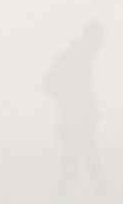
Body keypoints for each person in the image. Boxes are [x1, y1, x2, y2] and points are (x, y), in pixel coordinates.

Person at [46, 20, 107, 193]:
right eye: (99, 41)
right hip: (75, 117)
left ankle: (69, 193)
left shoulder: (79, 55)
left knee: (77, 155)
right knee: (80, 155)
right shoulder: (78, 56)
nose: (100, 46)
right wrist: (86, 109)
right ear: (92, 38)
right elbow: (79, 89)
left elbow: (82, 89)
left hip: (76, 116)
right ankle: (93, 192)